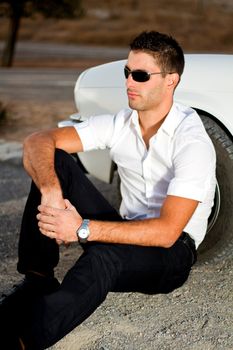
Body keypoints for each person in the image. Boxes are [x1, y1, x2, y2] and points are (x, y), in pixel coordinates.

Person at [1, 31, 216, 349]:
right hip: (125, 228)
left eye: (141, 75)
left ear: (171, 81)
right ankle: (38, 278)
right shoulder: (122, 123)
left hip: (171, 255)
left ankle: (22, 340)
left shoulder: (191, 140)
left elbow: (167, 232)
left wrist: (82, 229)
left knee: (104, 256)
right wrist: (51, 192)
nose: (129, 83)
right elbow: (37, 141)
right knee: (55, 160)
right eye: (127, 72)